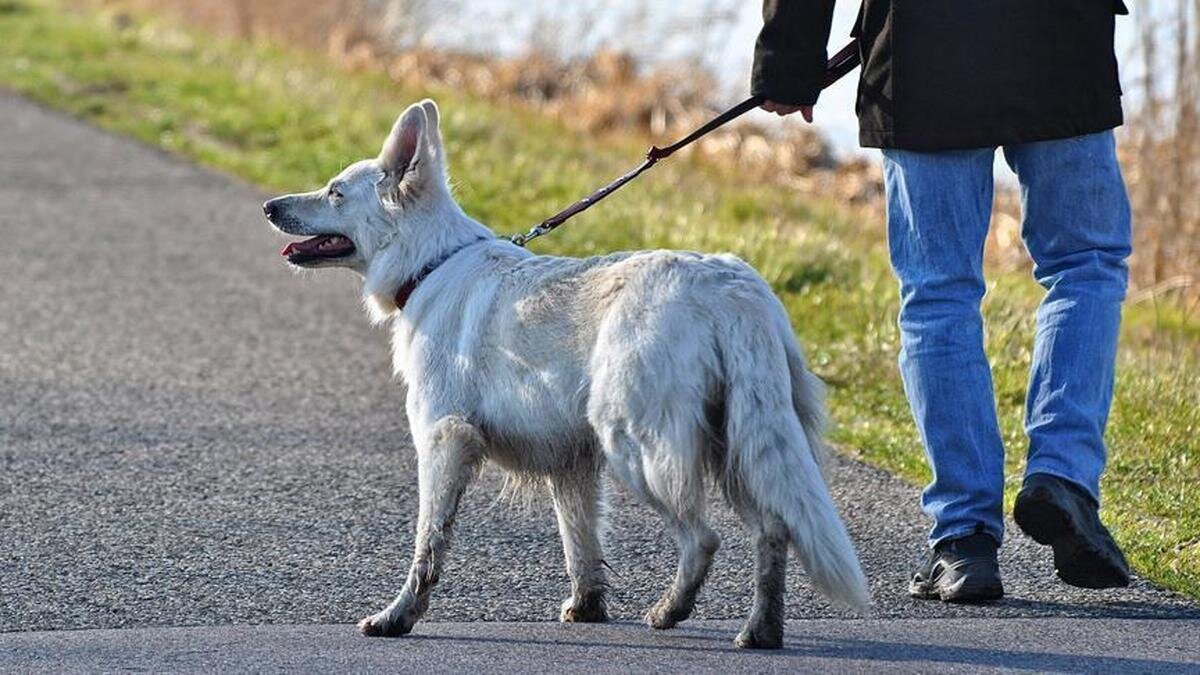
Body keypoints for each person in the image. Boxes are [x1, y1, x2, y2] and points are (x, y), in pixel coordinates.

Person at [752, 0, 1133, 602]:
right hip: (1060, 42)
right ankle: (1062, 476)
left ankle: (964, 541)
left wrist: (788, 57)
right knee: (1084, 266)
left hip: (922, 54)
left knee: (938, 294)